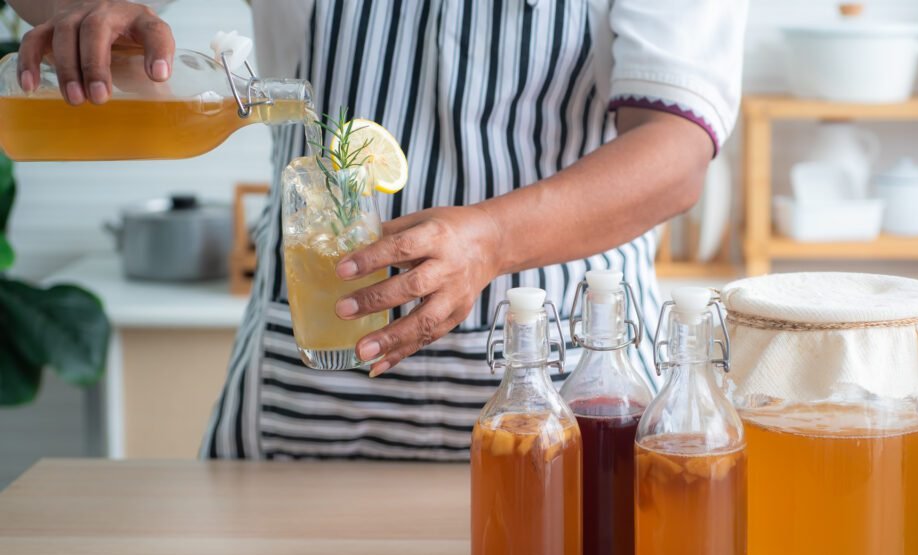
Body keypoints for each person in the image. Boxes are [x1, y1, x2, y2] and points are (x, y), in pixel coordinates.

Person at [12, 0, 747, 460]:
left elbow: (675, 154)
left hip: (572, 410)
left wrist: (492, 239)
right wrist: (86, 11)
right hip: (303, 409)